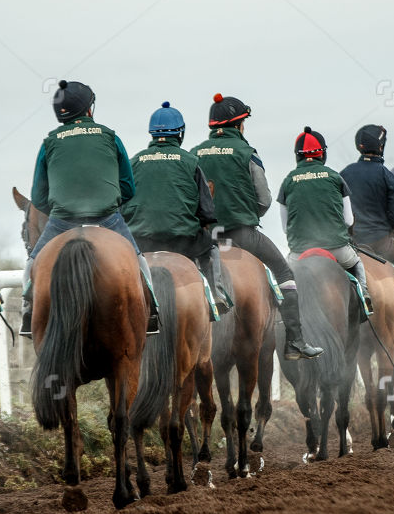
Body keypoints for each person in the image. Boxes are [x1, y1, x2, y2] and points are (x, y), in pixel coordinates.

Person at [20, 79, 159, 336]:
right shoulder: (110, 137)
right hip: (108, 219)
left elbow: (38, 197)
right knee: (139, 263)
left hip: (62, 222)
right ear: (88, 109)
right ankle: (151, 312)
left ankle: (28, 313)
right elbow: (128, 188)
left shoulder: (49, 143)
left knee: (31, 265)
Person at [192, 94, 322, 360]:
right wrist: (248, 215)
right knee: (284, 272)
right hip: (242, 234)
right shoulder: (247, 153)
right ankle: (295, 341)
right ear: (238, 125)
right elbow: (263, 198)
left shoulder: (194, 154)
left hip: (203, 237)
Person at [121, 102, 232, 316]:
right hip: (182, 241)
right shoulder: (191, 162)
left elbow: (123, 204)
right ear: (180, 133)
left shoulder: (133, 161)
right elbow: (207, 212)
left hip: (142, 240)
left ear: (152, 133)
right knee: (213, 249)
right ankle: (217, 295)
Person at [276, 127, 373, 314]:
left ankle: (282, 315)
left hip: (300, 252)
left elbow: (285, 228)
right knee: (358, 266)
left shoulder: (288, 181)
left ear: (298, 156)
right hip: (336, 249)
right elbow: (348, 220)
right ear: (322, 154)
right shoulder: (335, 177)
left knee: (283, 280)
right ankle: (364, 298)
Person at [340, 125, 394, 302]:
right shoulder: (387, 175)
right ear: (381, 147)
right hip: (381, 243)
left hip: (352, 244)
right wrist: (386, 228)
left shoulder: (344, 173)